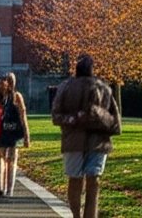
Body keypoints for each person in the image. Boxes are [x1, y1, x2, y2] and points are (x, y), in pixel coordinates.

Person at [50, 54, 121, 218]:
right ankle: (79, 215)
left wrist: (90, 115)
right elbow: (115, 122)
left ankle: (80, 215)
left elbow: (56, 116)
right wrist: (76, 118)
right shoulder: (98, 87)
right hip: (86, 142)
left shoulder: (99, 88)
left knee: (85, 180)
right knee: (89, 181)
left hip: (88, 142)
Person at [0, 73, 30, 199]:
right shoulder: (15, 97)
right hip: (12, 133)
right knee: (10, 161)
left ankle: (2, 188)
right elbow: (22, 116)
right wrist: (26, 135)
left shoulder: (0, 98)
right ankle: (8, 190)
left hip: (5, 133)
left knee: (4, 160)